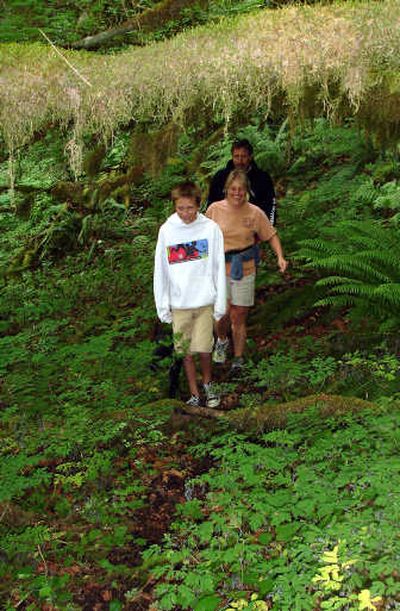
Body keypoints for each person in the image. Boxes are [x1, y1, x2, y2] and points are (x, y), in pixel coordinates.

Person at [206, 169, 287, 375]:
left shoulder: (255, 212)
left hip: (245, 267)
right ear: (226, 189)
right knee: (222, 314)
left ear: (247, 191)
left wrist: (280, 256)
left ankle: (238, 358)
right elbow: (201, 237)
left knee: (239, 315)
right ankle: (222, 340)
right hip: (219, 268)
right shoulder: (214, 210)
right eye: (233, 189)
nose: (237, 193)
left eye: (241, 189)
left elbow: (271, 235)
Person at [153, 181, 226, 408]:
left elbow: (218, 266)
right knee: (185, 352)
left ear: (198, 204)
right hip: (179, 304)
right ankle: (194, 393)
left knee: (204, 348)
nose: (185, 213)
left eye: (190, 208)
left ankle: (208, 384)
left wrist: (220, 302)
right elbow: (161, 270)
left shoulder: (210, 229)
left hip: (204, 301)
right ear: (174, 206)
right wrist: (162, 306)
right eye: (180, 208)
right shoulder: (167, 231)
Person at [207, 138, 277, 225]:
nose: (240, 161)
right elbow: (211, 203)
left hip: (253, 227)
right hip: (224, 227)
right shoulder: (220, 177)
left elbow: (270, 205)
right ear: (232, 156)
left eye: (243, 156)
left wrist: (268, 228)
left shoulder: (263, 178)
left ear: (250, 157)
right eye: (236, 156)